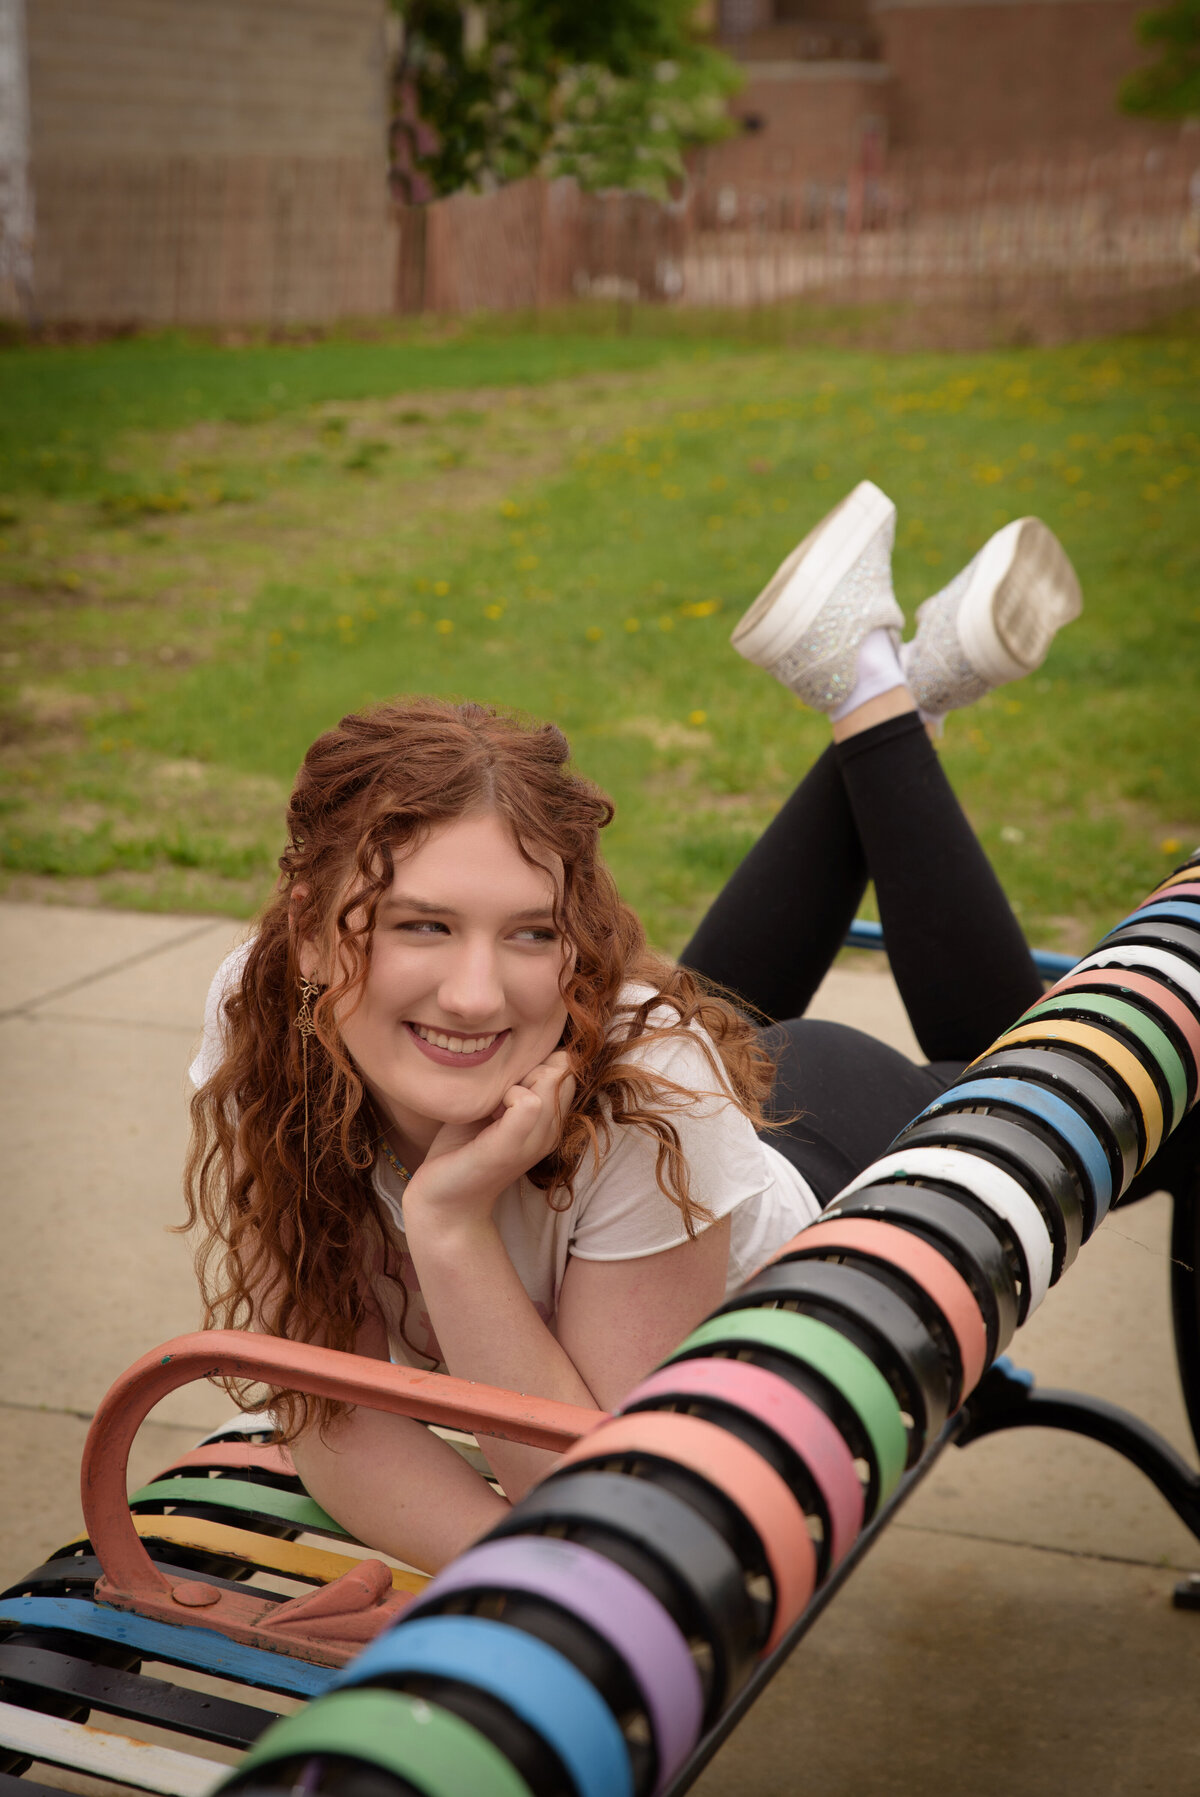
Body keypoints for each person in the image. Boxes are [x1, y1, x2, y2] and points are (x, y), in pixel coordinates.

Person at [184, 479, 1082, 1572]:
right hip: (668, 1095)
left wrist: (453, 1226)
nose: (472, 991)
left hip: (833, 1138)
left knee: (1043, 1083)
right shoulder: (263, 1018)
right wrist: (503, 1595)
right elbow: (337, 1415)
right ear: (313, 937)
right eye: (420, 924)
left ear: (578, 937)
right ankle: (887, 694)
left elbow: (580, 1494)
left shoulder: (655, 1080)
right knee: (666, 1035)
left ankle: (878, 692)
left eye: (531, 931)